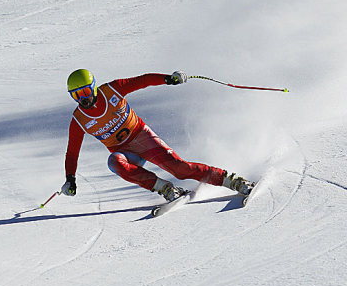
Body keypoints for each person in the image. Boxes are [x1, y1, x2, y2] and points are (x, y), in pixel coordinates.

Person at [61, 69, 255, 202]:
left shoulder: (112, 90)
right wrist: (70, 178)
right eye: (77, 95)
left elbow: (143, 80)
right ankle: (167, 189)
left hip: (142, 137)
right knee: (114, 163)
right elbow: (72, 152)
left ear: (93, 87)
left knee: (179, 169)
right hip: (125, 153)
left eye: (86, 91)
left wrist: (168, 79)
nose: (83, 99)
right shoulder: (79, 120)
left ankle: (233, 181)